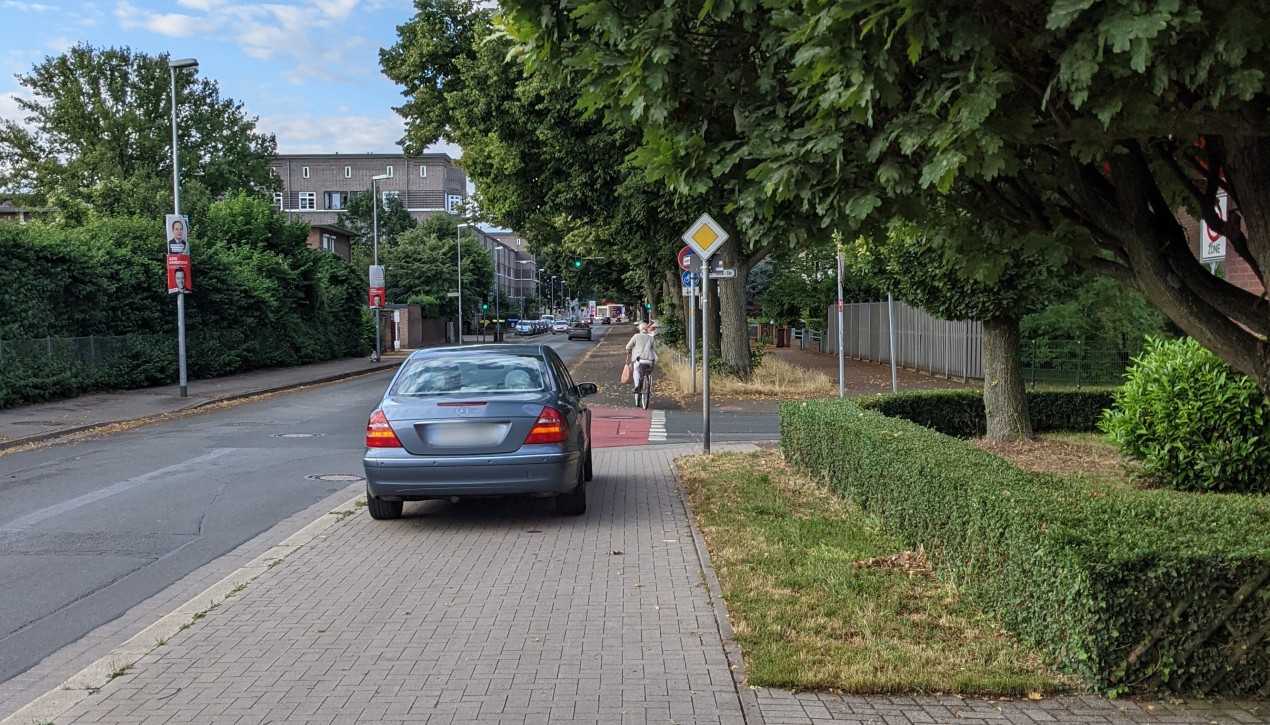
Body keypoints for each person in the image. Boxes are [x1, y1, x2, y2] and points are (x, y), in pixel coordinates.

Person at [625, 321, 658, 391]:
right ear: (646, 329)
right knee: (649, 373)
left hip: (639, 360)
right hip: (650, 360)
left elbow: (628, 346)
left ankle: (637, 385)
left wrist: (629, 351)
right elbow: (655, 348)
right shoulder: (651, 338)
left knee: (636, 370)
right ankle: (649, 389)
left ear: (639, 329)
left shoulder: (636, 336)